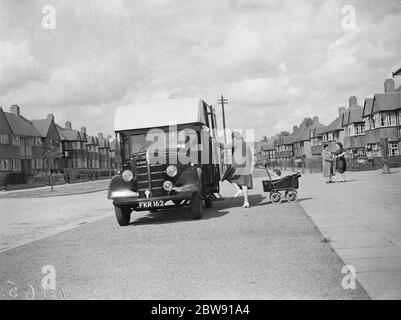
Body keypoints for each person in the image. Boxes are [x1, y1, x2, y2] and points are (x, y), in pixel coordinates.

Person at [222, 131, 254, 208]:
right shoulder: (246, 144)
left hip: (238, 166)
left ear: (234, 137)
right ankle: (246, 202)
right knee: (244, 184)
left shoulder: (236, 142)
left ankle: (238, 190)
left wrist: (212, 140)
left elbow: (223, 146)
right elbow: (250, 156)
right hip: (246, 166)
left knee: (228, 176)